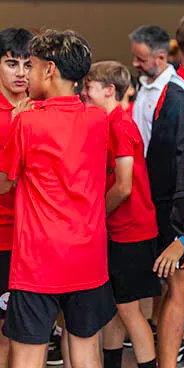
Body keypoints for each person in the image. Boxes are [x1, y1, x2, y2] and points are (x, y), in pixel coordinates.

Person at [0, 29, 116, 368]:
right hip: (88, 255)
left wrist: (20, 118)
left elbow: (7, 182)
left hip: (38, 260)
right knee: (83, 348)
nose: (26, 75)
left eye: (32, 66)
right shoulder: (99, 119)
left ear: (50, 70)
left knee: (27, 352)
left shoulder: (27, 122)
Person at [84, 61, 160, 368]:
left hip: (131, 231)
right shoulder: (111, 123)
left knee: (130, 311)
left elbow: (124, 186)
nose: (84, 93)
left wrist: (96, 213)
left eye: (89, 87)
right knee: (116, 308)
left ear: (108, 90)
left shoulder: (119, 125)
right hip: (121, 230)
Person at [150, 14, 184, 368]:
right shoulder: (180, 100)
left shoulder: (182, 92)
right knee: (179, 292)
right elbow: (176, 171)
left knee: (181, 294)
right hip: (178, 213)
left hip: (179, 210)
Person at [0, 28, 33, 368]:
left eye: (27, 64)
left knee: (25, 336)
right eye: (12, 63)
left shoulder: (41, 109)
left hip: (35, 241)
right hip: (3, 236)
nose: (21, 73)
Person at [129, 25, 174, 154]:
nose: (134, 64)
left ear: (161, 58)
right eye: (134, 57)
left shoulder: (173, 92)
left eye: (141, 60)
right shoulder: (141, 83)